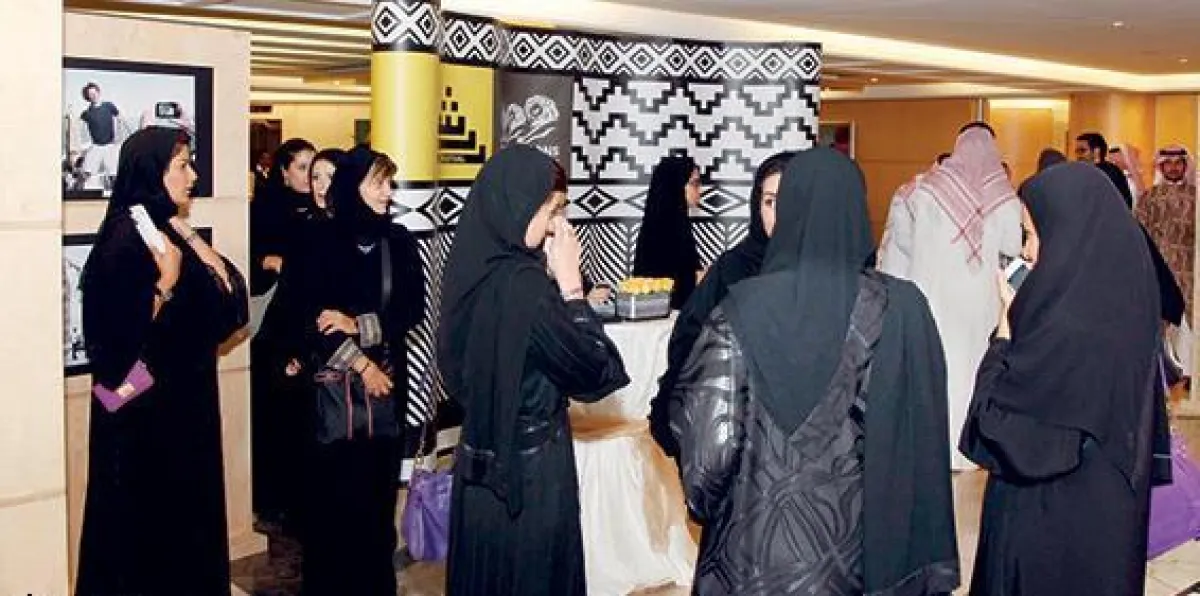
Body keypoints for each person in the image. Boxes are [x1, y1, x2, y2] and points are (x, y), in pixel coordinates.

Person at [668, 148, 959, 595]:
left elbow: (708, 455)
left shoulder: (739, 309)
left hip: (753, 557)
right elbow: (925, 443)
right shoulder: (904, 309)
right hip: (869, 558)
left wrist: (707, 505)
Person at [960, 162, 1169, 595]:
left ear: (1065, 236)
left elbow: (997, 427)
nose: (1027, 252)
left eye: (1031, 235)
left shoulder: (1061, 331)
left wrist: (1004, 334)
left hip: (1045, 533)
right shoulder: (1124, 310)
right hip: (1107, 526)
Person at [438, 146, 630, 595]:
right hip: (529, 476)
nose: (556, 226)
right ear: (518, 205)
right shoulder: (527, 290)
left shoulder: (471, 272)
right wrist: (572, 288)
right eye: (551, 210)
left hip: (477, 465)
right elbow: (598, 372)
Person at [76, 127, 249, 595]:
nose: (193, 176)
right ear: (152, 172)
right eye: (182, 166)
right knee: (146, 546)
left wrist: (187, 232)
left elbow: (232, 300)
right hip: (145, 427)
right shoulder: (122, 240)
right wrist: (164, 285)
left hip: (184, 414)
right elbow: (113, 343)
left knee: (185, 537)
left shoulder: (163, 229)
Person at [299, 146, 425, 595]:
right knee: (334, 505)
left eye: (389, 182)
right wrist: (360, 362)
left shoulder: (398, 241)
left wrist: (359, 325)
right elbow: (308, 319)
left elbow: (411, 309)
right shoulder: (318, 240)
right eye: (378, 183)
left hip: (387, 390)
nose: (388, 192)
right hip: (334, 396)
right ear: (354, 187)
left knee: (377, 502)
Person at [878, 123, 1022, 471]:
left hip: (933, 296)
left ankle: (933, 449)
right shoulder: (1004, 198)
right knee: (973, 371)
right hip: (981, 303)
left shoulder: (924, 191)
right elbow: (1012, 248)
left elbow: (904, 246)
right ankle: (968, 449)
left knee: (937, 370)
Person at [648, 151, 794, 458]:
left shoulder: (837, 277)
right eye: (769, 202)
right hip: (739, 441)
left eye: (790, 201)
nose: (779, 215)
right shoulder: (735, 268)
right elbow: (687, 341)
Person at [249, 137, 315, 531]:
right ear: (284, 171)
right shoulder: (266, 208)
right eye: (302, 167)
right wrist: (270, 262)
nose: (309, 176)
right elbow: (251, 261)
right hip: (273, 329)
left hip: (305, 328)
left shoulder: (321, 213)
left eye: (313, 167)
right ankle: (273, 504)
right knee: (275, 417)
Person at [633, 155, 703, 309]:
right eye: (694, 184)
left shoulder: (679, 226)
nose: (700, 190)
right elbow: (665, 284)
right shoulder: (661, 233)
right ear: (676, 186)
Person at [78, 82, 123, 191]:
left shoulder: (109, 106)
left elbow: (120, 119)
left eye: (95, 93)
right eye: (90, 94)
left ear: (98, 92)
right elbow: (78, 126)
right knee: (86, 173)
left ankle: (116, 195)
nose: (93, 96)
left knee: (113, 176)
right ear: (87, 97)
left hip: (110, 146)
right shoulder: (86, 113)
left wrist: (119, 137)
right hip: (96, 146)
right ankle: (76, 193)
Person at [1075, 131, 1135, 207]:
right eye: (1077, 151)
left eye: (1082, 150)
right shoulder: (1084, 171)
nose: (1078, 155)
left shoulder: (1107, 172)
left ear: (1096, 151)